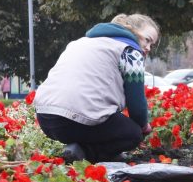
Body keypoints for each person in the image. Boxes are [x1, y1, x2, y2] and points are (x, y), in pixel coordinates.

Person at [34, 13, 158, 163]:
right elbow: (137, 106)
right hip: (77, 120)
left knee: (104, 123)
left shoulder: (81, 42)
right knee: (132, 134)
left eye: (152, 45)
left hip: (46, 118)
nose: (149, 47)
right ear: (132, 30)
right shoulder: (131, 51)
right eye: (147, 40)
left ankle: (81, 149)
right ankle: (84, 152)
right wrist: (144, 126)